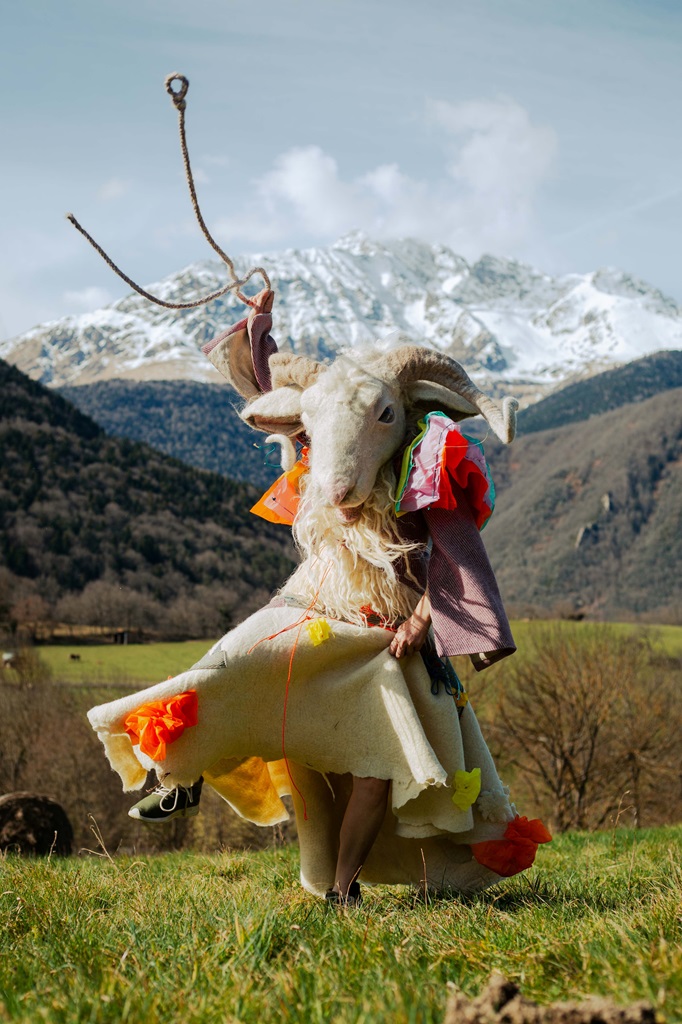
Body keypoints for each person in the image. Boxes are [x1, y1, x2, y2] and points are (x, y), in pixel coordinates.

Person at [88, 294, 550, 905]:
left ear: (407, 415)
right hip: (315, 608)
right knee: (235, 663)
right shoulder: (319, 445)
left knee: (372, 774)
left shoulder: (425, 470)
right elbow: (265, 378)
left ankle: (340, 889)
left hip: (386, 642)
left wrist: (419, 617)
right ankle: (178, 769)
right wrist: (260, 324)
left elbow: (456, 562)